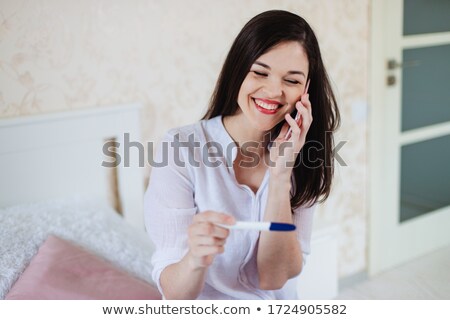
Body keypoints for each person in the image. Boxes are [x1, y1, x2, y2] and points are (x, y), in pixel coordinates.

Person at [144, 10, 340, 300]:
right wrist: (195, 259)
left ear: (307, 90)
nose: (274, 91)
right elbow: (175, 295)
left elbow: (274, 278)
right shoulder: (180, 148)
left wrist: (280, 174)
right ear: (237, 70)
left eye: (292, 80)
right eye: (260, 72)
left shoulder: (305, 155)